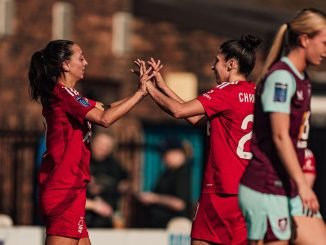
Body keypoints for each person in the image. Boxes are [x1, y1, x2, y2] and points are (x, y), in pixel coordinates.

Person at [136, 34, 261, 244]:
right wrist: (163, 87)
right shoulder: (256, 92)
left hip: (220, 190)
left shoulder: (225, 92)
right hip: (247, 191)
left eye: (216, 61)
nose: (213, 67)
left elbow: (178, 111)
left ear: (231, 64)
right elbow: (195, 117)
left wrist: (147, 89)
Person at [28, 40, 153, 245]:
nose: (85, 62)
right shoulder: (63, 94)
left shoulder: (72, 95)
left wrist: (140, 92)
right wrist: (139, 93)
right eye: (81, 58)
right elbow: (105, 119)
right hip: (63, 188)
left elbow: (106, 108)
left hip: (73, 187)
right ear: (66, 65)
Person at [239, 8, 326, 245]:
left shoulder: (302, 79)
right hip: (267, 187)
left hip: (289, 187)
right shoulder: (281, 78)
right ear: (304, 39)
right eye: (324, 43)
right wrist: (304, 185)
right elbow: (279, 137)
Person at [136, 139, 191, 228]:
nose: (163, 158)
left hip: (173, 229)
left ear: (177, 153)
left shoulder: (183, 173)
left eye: (165, 154)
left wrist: (154, 198)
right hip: (157, 225)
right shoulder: (168, 172)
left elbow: (179, 204)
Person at [85, 133, 129, 228]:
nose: (103, 148)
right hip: (84, 213)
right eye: (100, 144)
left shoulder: (114, 165)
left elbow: (125, 183)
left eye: (107, 146)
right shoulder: (83, 160)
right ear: (93, 143)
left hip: (107, 215)